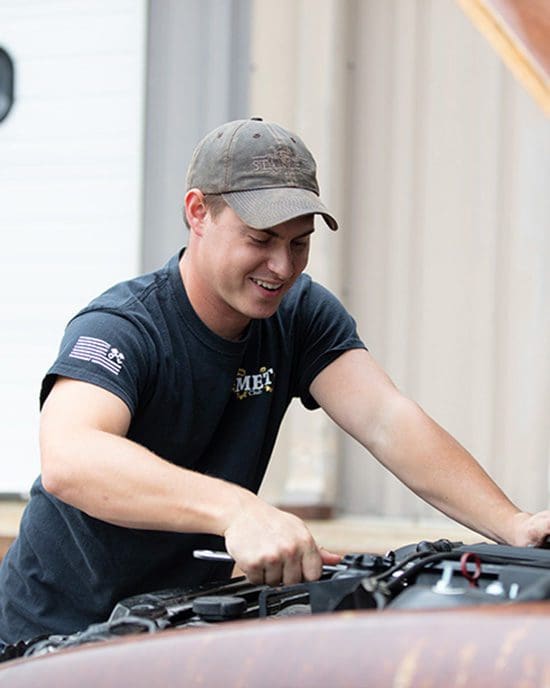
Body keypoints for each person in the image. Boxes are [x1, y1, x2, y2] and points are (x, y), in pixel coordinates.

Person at [0, 117, 549, 646]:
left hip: (177, 626)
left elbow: (387, 420)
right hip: (55, 635)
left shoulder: (300, 314)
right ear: (198, 212)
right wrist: (238, 510)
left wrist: (512, 523)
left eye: (299, 242)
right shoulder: (125, 327)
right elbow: (72, 457)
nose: (282, 267)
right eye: (260, 238)